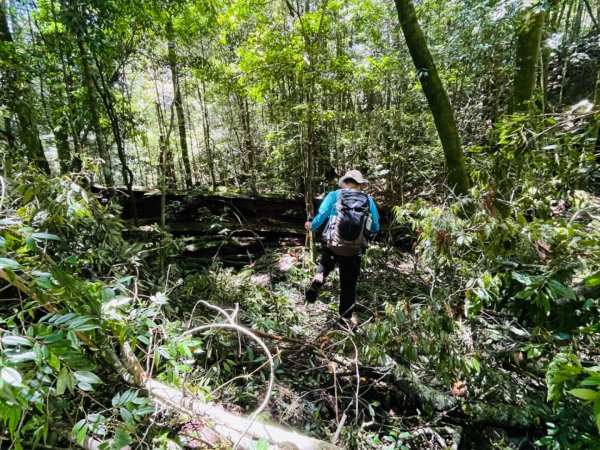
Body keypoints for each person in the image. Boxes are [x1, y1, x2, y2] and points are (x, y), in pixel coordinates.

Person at [304, 169, 380, 322]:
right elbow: (375, 227)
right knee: (348, 287)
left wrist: (311, 226)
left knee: (325, 264)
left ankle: (320, 276)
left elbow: (321, 216)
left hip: (332, 244)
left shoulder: (334, 195)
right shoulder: (368, 200)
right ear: (359, 184)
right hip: (354, 250)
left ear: (345, 182)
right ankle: (344, 322)